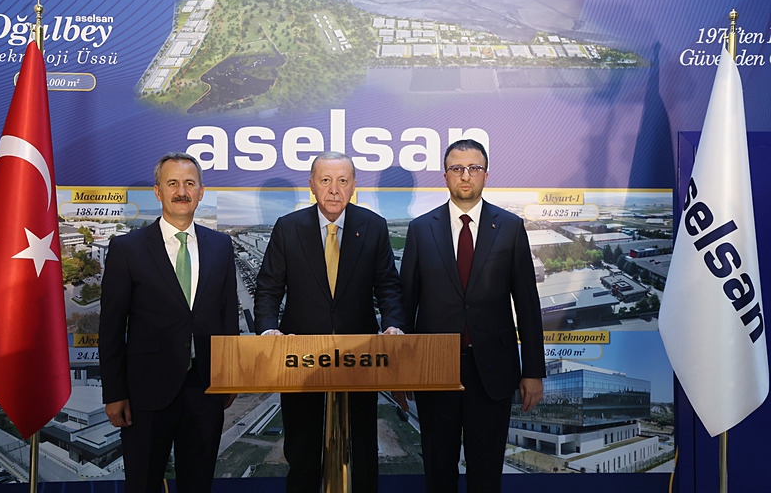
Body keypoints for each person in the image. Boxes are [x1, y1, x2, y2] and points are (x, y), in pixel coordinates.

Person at [253, 151, 406, 493]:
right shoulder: (287, 228)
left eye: (342, 181)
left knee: (363, 453)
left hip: (360, 357)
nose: (334, 189)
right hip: (300, 358)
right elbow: (268, 288)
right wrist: (267, 328)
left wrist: (393, 324)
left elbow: (388, 286)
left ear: (353, 186)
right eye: (325, 180)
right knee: (302, 454)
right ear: (312, 185)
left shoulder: (374, 226)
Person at [398, 139, 545, 492]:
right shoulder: (421, 229)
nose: (465, 176)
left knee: (486, 474)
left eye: (474, 168)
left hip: (493, 371)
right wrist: (401, 370)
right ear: (445, 176)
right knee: (438, 472)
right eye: (457, 168)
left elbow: (527, 304)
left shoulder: (510, 227)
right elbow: (405, 305)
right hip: (435, 371)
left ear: (486, 175)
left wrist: (533, 371)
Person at [99, 152, 238, 492]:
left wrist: (229, 377)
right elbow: (111, 327)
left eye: (189, 183)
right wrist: (114, 392)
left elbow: (228, 317)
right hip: (145, 393)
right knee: (143, 483)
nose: (181, 191)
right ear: (158, 191)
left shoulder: (221, 246)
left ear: (201, 191)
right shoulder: (128, 248)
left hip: (205, 390)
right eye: (172, 183)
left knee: (198, 484)